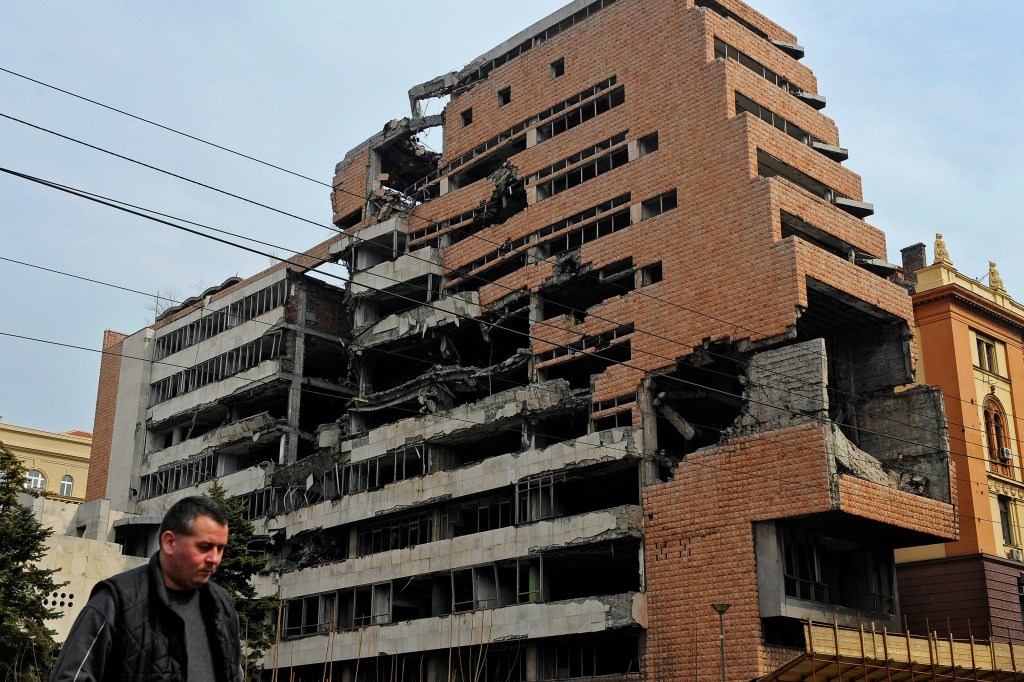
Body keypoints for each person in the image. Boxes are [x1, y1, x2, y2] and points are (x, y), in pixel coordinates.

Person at [51, 496, 243, 682]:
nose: (215, 559)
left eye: (220, 548)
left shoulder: (222, 606)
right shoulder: (115, 600)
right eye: (205, 547)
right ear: (170, 542)